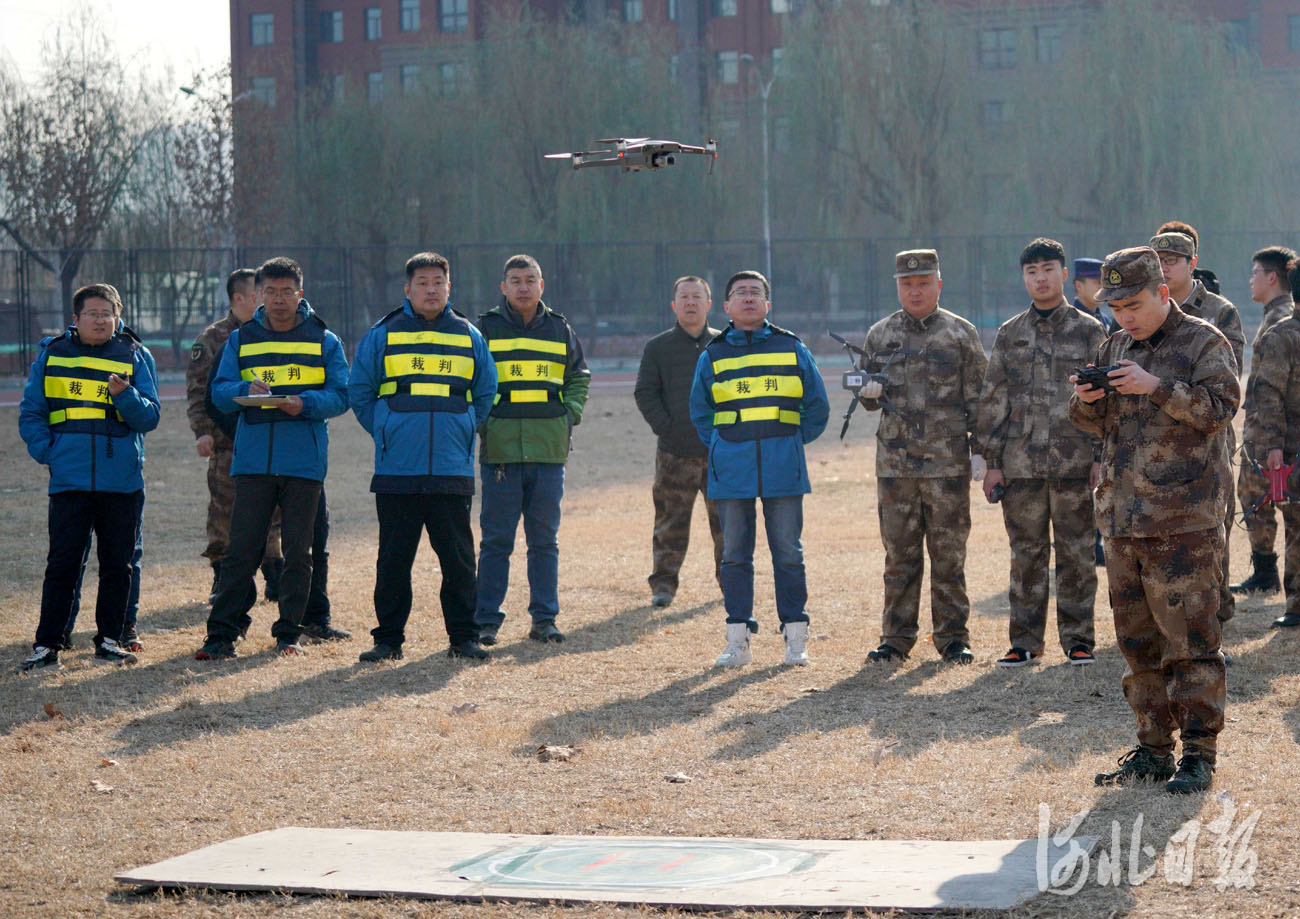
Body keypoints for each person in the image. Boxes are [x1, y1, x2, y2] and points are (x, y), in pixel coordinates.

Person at [1070, 246, 1238, 795]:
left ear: (1164, 293)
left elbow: (1219, 411)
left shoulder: (1203, 341)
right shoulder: (1114, 343)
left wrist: (1156, 386)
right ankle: (1151, 749)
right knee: (1137, 644)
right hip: (1122, 521)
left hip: (1183, 523)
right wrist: (1087, 399)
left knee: (1191, 642)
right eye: (1115, 307)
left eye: (1134, 304)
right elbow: (1095, 425)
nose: (1125, 317)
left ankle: (1199, 754)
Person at [195, 257, 349, 660]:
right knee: (241, 549)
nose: (280, 299)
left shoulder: (324, 340)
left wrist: (306, 402)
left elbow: (341, 395)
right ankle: (222, 634)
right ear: (259, 294)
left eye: (287, 292)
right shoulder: (241, 339)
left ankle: (289, 633)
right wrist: (246, 386)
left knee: (299, 552)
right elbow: (220, 391)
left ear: (301, 293)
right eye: (271, 292)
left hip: (304, 462)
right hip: (253, 461)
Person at [350, 252, 497, 661]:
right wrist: (385, 429)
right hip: (398, 467)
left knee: (458, 560)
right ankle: (388, 641)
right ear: (407, 289)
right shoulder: (384, 333)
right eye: (422, 283)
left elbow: (485, 392)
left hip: (451, 467)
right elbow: (360, 391)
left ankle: (463, 638)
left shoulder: (469, 335)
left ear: (449, 288)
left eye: (438, 282)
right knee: (394, 561)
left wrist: (465, 425)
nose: (430, 289)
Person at [16, 283, 161, 672]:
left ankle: (111, 640)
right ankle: (48, 645)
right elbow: (32, 413)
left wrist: (124, 396)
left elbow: (149, 416)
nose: (100, 320)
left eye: (107, 313)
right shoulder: (53, 354)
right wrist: (52, 454)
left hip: (122, 481)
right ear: (76, 318)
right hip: (70, 480)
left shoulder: (134, 354)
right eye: (92, 313)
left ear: (117, 318)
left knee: (118, 564)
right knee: (63, 564)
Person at [688, 270, 828, 666]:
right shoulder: (712, 355)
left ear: (768, 304)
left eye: (756, 293)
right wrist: (720, 445)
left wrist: (791, 442)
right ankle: (738, 640)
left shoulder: (792, 348)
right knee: (734, 554)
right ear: (727, 306)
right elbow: (700, 412)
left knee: (788, 552)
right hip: (731, 471)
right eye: (740, 293)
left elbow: (817, 406)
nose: (748, 299)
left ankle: (795, 638)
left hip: (784, 469)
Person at [978, 239, 1104, 668]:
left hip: (1075, 463)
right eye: (1032, 271)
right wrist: (991, 463)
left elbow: (1105, 400)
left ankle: (1079, 639)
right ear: (1024, 278)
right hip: (1021, 466)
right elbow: (994, 400)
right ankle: (1025, 641)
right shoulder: (1010, 333)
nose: (1041, 278)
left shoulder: (1090, 331)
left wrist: (1101, 456)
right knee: (1026, 556)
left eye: (1048, 269)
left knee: (1077, 554)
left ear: (1064, 274)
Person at [860, 250, 988, 665]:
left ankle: (953, 638)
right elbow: (866, 395)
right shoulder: (880, 335)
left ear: (938, 283)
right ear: (897, 286)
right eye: (906, 284)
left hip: (946, 466)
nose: (914, 291)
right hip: (895, 467)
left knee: (949, 555)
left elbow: (980, 401)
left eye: (922, 283)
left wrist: (983, 453)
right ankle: (896, 639)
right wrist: (866, 394)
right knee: (900, 555)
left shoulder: (960, 334)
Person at [474, 254, 590, 646]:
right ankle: (486, 620)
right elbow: (470, 378)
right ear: (503, 287)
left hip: (548, 450)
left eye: (530, 280)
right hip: (501, 453)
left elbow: (579, 376)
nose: (523, 287)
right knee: (496, 542)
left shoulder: (560, 328)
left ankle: (545, 620)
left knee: (544, 541)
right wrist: (484, 421)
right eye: (515, 280)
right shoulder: (484, 329)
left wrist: (569, 413)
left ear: (542, 285)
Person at [1150, 225, 1243, 626]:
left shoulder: (1220, 312)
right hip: (1157, 440)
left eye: (1172, 261)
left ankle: (1214, 617)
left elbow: (1225, 377)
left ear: (1193, 264)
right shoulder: (1144, 308)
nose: (1165, 268)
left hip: (1208, 440)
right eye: (1158, 262)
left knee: (1211, 530)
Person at [187, 268, 284, 606]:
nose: (266, 300)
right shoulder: (213, 339)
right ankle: (222, 579)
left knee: (274, 512)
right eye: (259, 294)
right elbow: (199, 392)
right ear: (239, 298)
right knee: (225, 511)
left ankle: (275, 577)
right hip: (228, 443)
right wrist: (203, 434)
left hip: (269, 439)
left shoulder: (272, 333)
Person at [634, 275, 724, 608]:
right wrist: (665, 428)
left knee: (727, 525)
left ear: (709, 304)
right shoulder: (658, 348)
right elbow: (645, 392)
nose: (690, 303)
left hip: (719, 453)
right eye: (683, 297)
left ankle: (731, 583)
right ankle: (663, 586)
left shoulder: (724, 345)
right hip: (675, 452)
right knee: (670, 522)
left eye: (697, 297)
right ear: (674, 305)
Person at [1230, 246, 1297, 596]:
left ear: (1272, 278)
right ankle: (1267, 572)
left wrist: (1271, 440)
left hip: (1274, 435)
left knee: (1261, 500)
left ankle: (1268, 572)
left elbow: (1273, 389)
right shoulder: (1278, 315)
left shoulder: (1279, 321)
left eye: (1255, 273)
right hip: (1270, 431)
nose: (1250, 280)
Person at [1245, 256, 1300, 629]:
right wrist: (1274, 447)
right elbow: (1268, 395)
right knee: (1296, 524)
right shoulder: (1284, 334)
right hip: (1292, 447)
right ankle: (1296, 603)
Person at [1072, 257, 1114, 334]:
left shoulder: (1106, 321)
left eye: (1104, 283)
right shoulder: (1069, 321)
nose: (1103, 287)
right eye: (1098, 282)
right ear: (1079, 286)